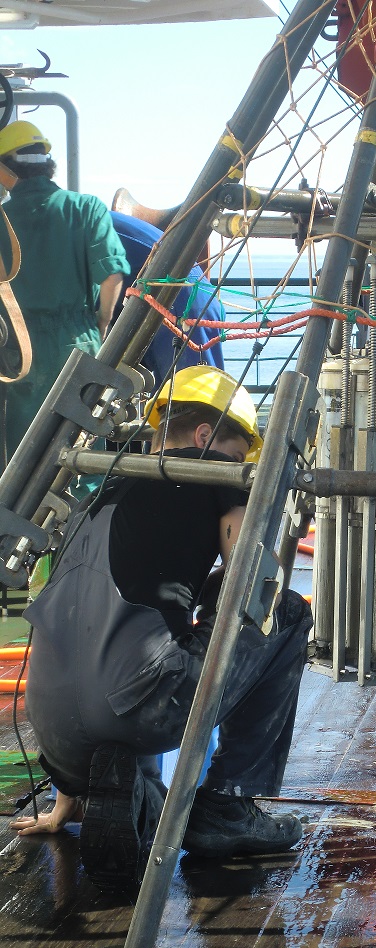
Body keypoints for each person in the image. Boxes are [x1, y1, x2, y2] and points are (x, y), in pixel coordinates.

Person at [11, 366, 313, 892]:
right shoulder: (213, 473)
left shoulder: (102, 487)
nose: (242, 469)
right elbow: (251, 583)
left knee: (145, 639)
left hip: (54, 733)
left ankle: (94, 791)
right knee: (284, 610)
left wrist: (64, 797)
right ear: (205, 437)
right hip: (136, 708)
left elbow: (89, 626)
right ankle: (226, 806)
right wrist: (281, 520)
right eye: (240, 455)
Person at [0, 120, 130, 465]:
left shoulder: (2, 218)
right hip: (78, 342)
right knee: (80, 453)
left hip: (17, 352)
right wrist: (101, 323)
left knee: (21, 458)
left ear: (6, 172)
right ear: (48, 164)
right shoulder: (87, 208)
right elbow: (112, 274)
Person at [110, 210, 226, 382]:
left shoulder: (76, 230)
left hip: (179, 305)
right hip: (190, 298)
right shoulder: (87, 220)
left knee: (188, 395)